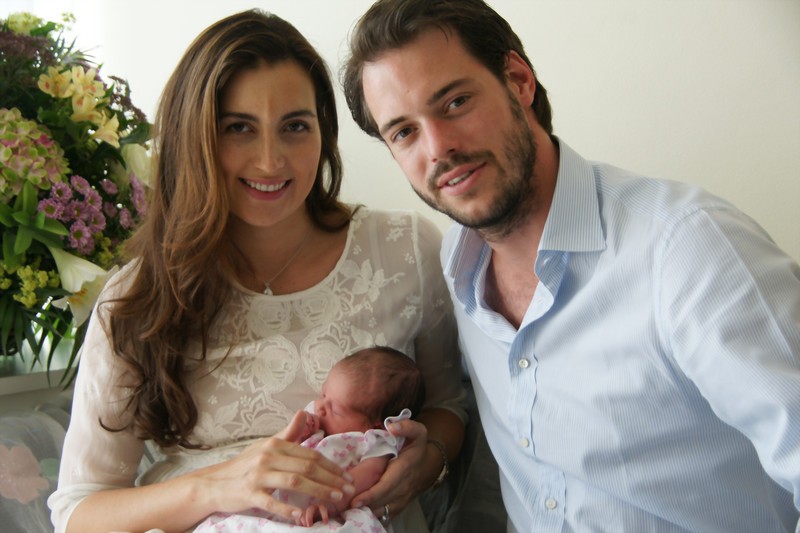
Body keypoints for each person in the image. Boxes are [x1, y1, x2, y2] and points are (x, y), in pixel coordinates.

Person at [342, 0, 800, 531]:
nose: (439, 148)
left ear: (519, 81)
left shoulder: (690, 249)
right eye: (404, 132)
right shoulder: (456, 263)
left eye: (456, 102)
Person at [48, 9, 466, 533]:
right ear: (194, 138)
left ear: (324, 132)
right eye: (238, 128)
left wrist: (428, 462)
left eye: (295, 127)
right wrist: (217, 486)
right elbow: (79, 511)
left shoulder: (404, 250)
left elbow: (452, 405)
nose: (271, 161)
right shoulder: (136, 296)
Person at [195, 346, 426, 531]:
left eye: (335, 409)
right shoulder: (317, 420)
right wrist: (303, 432)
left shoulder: (376, 439)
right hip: (282, 492)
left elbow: (369, 475)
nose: (320, 406)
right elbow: (285, 447)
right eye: (324, 394)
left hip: (327, 510)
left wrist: (331, 501)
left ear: (374, 423)